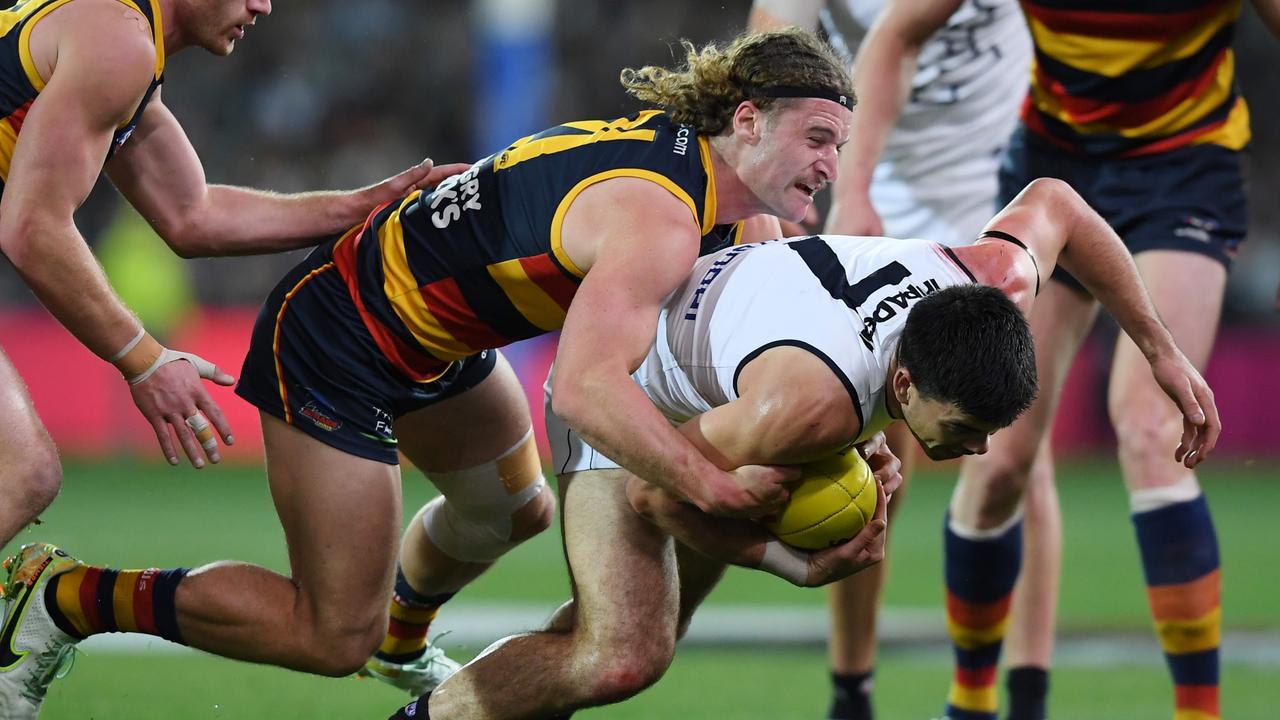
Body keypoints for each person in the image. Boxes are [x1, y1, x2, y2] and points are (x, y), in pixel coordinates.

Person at [0, 27, 855, 717]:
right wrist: (712, 485)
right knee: (328, 634)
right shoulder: (661, 219)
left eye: (839, 146)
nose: (829, 164)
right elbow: (584, 390)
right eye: (816, 137)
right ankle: (68, 597)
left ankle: (400, 645)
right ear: (745, 121)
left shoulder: (727, 208)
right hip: (342, 335)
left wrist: (851, 430)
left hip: (437, 335)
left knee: (511, 513)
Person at [397, 176, 1219, 720]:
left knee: (632, 619)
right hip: (631, 392)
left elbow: (1058, 203)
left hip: (729, 378)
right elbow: (659, 495)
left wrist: (1158, 347)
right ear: (901, 389)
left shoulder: (994, 276)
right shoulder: (811, 410)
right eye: (963, 430)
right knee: (623, 655)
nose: (971, 452)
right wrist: (788, 563)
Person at [864, 1, 1278, 719]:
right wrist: (856, 187)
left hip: (1184, 168)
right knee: (998, 465)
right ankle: (971, 705)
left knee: (1154, 433)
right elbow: (898, 30)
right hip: (1055, 165)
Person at [0, 0, 444, 641]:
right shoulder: (117, 43)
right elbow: (32, 227)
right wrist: (145, 359)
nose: (262, 5)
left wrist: (361, 206)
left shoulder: (120, 43)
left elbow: (193, 213)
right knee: (21, 473)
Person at [747, 2, 1037, 717]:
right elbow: (768, 48)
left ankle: (1016, 694)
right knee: (872, 463)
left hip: (999, 179)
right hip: (873, 195)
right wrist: (782, 181)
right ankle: (853, 691)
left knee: (1009, 460)